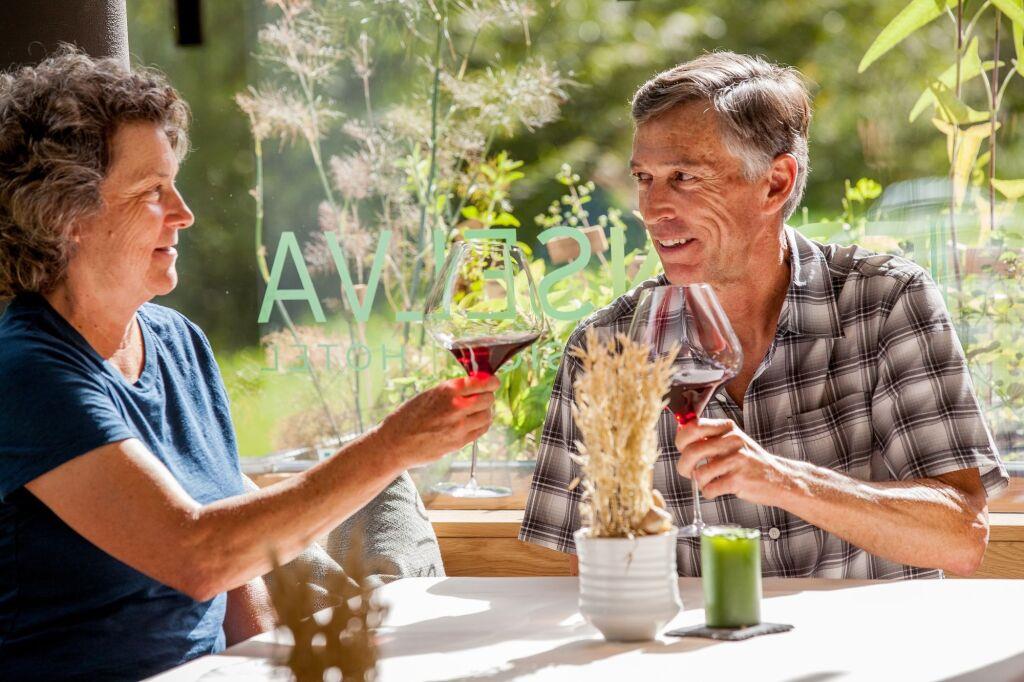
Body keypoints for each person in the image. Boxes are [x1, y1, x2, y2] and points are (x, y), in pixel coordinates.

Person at [0, 49, 499, 680]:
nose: (184, 213)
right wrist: (393, 446)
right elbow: (199, 554)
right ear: (67, 215)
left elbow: (238, 579)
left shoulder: (178, 342)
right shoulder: (27, 372)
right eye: (152, 191)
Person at [520, 52, 1009, 579]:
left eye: (684, 176)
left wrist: (783, 481)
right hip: (694, 636)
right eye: (644, 177)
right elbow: (586, 574)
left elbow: (960, 537)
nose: (653, 208)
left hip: (867, 633)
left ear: (775, 183)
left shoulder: (886, 301)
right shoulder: (606, 348)